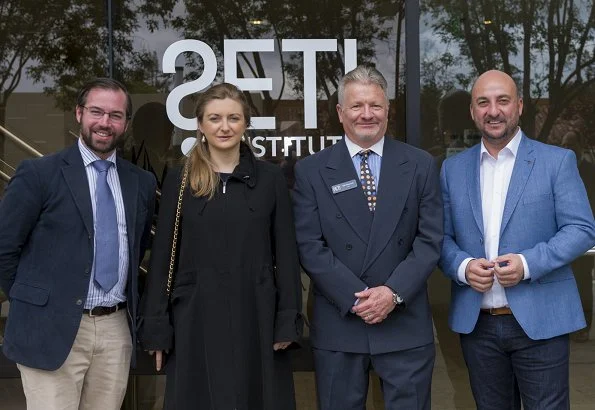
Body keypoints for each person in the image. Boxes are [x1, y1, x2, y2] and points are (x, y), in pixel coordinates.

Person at [139, 83, 303, 410]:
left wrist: (287, 318)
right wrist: (157, 326)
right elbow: (161, 259)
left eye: (233, 118)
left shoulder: (270, 179)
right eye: (215, 118)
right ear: (200, 125)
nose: (224, 126)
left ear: (245, 125)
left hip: (256, 316)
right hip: (194, 317)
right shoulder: (179, 179)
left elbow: (286, 254)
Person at [439, 70, 595, 410]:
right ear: (472, 111)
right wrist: (463, 267)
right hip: (478, 326)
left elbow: (582, 229)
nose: (493, 111)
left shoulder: (556, 161)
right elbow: (441, 238)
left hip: (541, 321)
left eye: (502, 100)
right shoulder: (453, 170)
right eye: (483, 102)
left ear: (520, 106)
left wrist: (527, 264)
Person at [0, 78, 157, 409]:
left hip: (115, 328)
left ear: (126, 123)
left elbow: (138, 244)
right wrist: (34, 303)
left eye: (116, 115)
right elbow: (5, 248)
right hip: (50, 327)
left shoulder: (140, 182)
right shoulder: (39, 174)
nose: (104, 122)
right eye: (96, 112)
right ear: (78, 113)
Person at [292, 65, 443, 409]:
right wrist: (358, 298)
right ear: (341, 113)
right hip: (340, 323)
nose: (367, 114)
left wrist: (392, 293)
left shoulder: (420, 165)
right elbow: (309, 246)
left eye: (375, 106)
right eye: (357, 106)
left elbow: (430, 239)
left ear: (388, 110)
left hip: (404, 321)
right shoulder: (311, 170)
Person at [561, 130, 595, 341]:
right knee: (566, 280)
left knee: (582, 280)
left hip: (585, 237)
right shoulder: (561, 169)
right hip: (564, 237)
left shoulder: (590, 170)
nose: (568, 149)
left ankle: (583, 326)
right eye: (565, 144)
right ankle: (570, 324)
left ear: (580, 147)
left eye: (571, 144)